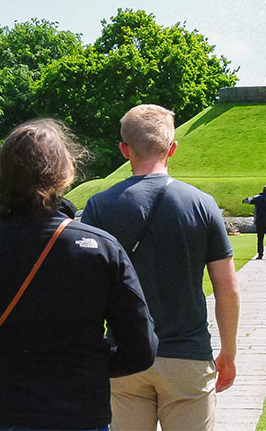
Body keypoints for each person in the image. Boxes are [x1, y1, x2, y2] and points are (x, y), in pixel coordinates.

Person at [0, 119, 157, 430]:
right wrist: (87, 371)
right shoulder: (102, 249)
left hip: (2, 410)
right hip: (79, 411)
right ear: (66, 172)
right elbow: (140, 348)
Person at [81, 105, 240, 431]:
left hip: (125, 355)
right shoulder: (201, 204)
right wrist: (228, 352)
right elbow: (227, 287)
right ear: (172, 148)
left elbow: (86, 292)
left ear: (124, 150)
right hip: (187, 355)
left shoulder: (99, 206)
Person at [243, 185, 266, 259]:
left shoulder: (257, 197)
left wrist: (244, 200)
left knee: (260, 239)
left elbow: (248, 200)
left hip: (259, 221)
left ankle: (260, 254)